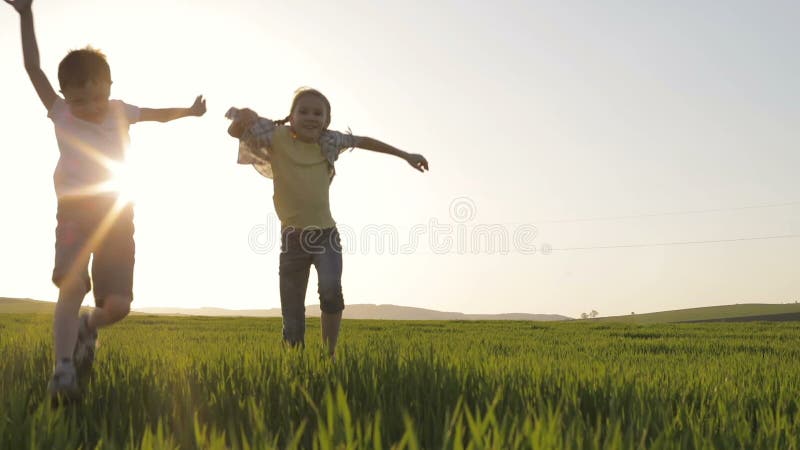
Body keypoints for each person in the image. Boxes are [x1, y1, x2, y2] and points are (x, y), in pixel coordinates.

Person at [5, 0, 207, 403]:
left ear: (109, 88)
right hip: (76, 214)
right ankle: (62, 369)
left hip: (118, 213)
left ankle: (88, 326)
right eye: (79, 101)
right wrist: (25, 13)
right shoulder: (60, 112)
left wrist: (188, 111)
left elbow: (157, 115)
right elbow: (32, 68)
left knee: (118, 306)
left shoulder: (119, 111)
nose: (90, 108)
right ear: (64, 97)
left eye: (96, 97)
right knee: (72, 284)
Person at [227, 87, 428, 358]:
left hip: (326, 236)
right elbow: (235, 132)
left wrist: (406, 155)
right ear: (291, 116)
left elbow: (365, 141)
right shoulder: (276, 136)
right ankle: (296, 369)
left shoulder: (329, 141)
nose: (311, 117)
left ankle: (329, 356)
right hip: (292, 240)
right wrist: (245, 117)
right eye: (304, 111)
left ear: (326, 120)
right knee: (293, 317)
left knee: (331, 292)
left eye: (318, 113)